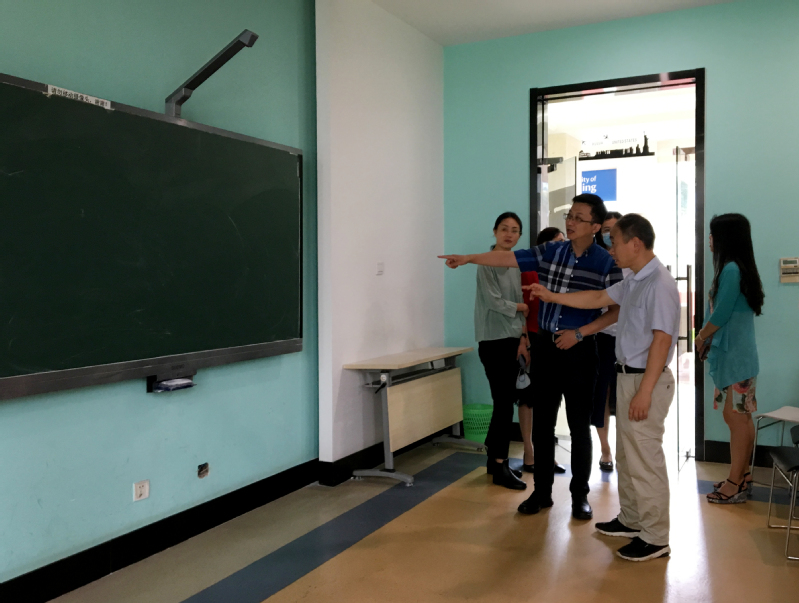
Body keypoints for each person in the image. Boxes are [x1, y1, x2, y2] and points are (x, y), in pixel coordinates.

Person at [440, 194, 622, 520]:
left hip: (580, 349)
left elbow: (615, 310)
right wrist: (468, 258)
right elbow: (508, 258)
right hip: (546, 347)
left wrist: (580, 333)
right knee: (543, 424)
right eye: (569, 216)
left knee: (579, 427)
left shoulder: (605, 262)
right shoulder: (552, 251)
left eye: (578, 218)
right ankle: (542, 492)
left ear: (595, 226)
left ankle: (580, 496)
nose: (571, 222)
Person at [527, 213, 680, 562]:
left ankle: (656, 537)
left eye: (615, 242)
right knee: (628, 456)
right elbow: (596, 298)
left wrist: (645, 391)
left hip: (645, 379)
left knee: (645, 460)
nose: (611, 249)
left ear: (635, 244)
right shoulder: (634, 279)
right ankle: (632, 519)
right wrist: (552, 295)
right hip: (628, 376)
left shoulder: (659, 283)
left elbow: (661, 340)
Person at [696, 214, 763, 504]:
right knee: (739, 416)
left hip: (736, 357)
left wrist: (700, 337)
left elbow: (720, 313)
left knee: (736, 418)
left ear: (725, 238)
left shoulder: (732, 269)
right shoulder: (735, 268)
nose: (710, 240)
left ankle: (735, 483)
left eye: (713, 235)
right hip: (735, 356)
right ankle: (743, 475)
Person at [474, 212, 529, 490]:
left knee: (504, 402)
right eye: (504, 229)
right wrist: (521, 308)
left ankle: (494, 463)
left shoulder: (516, 262)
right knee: (505, 403)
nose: (509, 234)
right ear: (495, 231)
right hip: (493, 340)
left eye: (515, 230)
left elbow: (521, 297)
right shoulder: (486, 262)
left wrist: (523, 336)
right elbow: (494, 301)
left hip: (512, 338)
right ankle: (499, 464)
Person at [518, 227, 566, 475]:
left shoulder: (562, 273)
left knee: (549, 400)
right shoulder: (528, 271)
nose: (563, 246)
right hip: (532, 337)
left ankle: (547, 454)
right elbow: (522, 308)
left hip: (554, 339)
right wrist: (523, 340)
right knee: (528, 397)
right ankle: (529, 452)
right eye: (558, 242)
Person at [594, 211, 628, 471]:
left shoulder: (632, 262)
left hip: (628, 339)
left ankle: (623, 449)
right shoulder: (597, 261)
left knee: (626, 394)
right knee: (601, 394)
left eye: (615, 230)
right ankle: (605, 449)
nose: (610, 235)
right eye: (606, 230)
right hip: (602, 337)